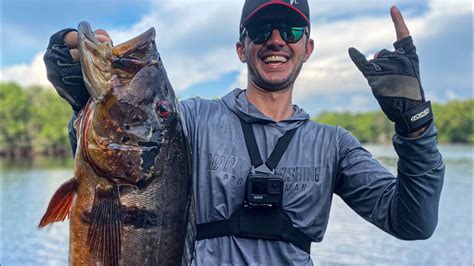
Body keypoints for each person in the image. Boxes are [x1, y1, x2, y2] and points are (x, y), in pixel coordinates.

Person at [43, 1, 445, 265]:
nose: (275, 40)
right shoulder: (194, 121)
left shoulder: (334, 146)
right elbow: (120, 151)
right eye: (262, 30)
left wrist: (415, 125)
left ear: (308, 47)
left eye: (290, 31)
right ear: (241, 47)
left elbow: (413, 223)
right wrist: (79, 85)